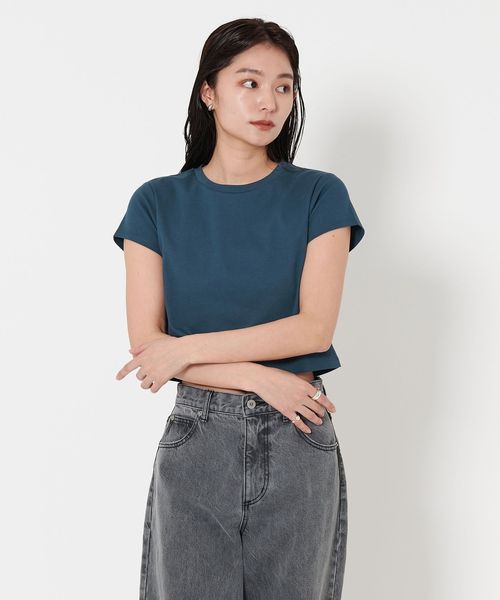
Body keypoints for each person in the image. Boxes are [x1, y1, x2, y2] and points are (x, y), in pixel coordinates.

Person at [113, 17, 365, 600]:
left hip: (298, 431)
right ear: (209, 91)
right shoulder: (155, 203)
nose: (268, 101)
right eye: (249, 82)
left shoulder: (320, 194)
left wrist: (186, 350)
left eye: (283, 86)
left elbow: (313, 328)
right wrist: (258, 377)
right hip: (198, 437)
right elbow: (149, 349)